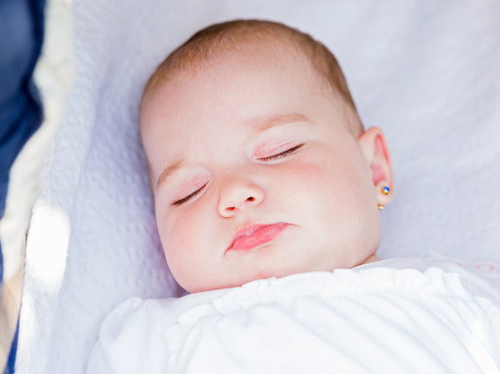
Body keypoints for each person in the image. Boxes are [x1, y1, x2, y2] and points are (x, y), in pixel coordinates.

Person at [87, 20, 500, 373]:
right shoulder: (152, 340)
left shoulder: (458, 292)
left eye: (278, 151)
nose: (234, 194)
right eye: (188, 192)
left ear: (375, 170)